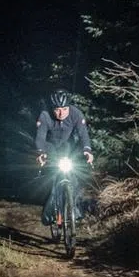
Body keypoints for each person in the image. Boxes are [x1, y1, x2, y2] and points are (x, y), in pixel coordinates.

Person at [35, 89, 94, 238]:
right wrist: (41, 153)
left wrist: (87, 151)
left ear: (69, 107)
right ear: (52, 109)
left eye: (64, 109)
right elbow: (40, 137)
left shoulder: (76, 114)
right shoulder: (45, 115)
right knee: (50, 180)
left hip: (68, 147)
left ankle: (73, 209)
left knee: (75, 178)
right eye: (57, 110)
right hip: (51, 148)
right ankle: (51, 213)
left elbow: (83, 135)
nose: (61, 113)